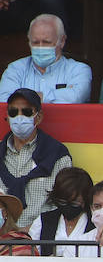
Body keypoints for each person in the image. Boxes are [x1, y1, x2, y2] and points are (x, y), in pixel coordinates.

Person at [0, 88, 69, 231]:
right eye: (13, 112)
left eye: (26, 112)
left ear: (38, 117)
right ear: (7, 116)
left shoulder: (57, 154)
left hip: (39, 240)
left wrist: (28, 232)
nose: (19, 117)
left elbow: (65, 203)